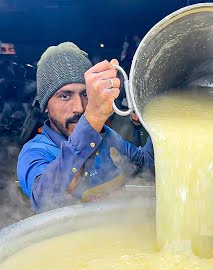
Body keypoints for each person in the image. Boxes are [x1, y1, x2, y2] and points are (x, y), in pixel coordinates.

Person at [17, 42, 154, 213]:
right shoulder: (35, 152)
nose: (79, 108)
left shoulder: (107, 137)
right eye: (65, 96)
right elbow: (47, 201)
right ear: (45, 106)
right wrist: (93, 118)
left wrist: (157, 121)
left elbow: (146, 165)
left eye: (85, 94)